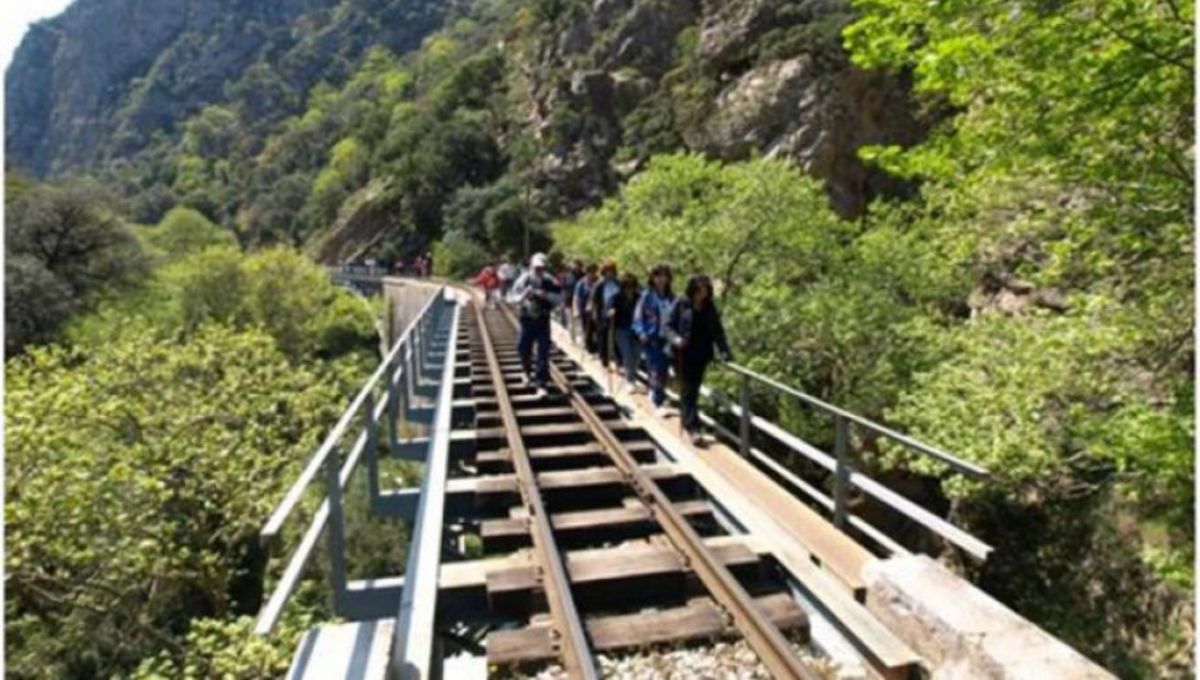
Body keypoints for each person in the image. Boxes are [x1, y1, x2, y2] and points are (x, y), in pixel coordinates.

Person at [666, 274, 732, 444]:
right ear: (693, 290)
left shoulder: (709, 306)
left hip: (701, 353)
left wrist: (724, 351)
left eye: (705, 290)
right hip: (682, 352)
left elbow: (717, 330)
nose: (702, 294)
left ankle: (689, 421)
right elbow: (667, 326)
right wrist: (676, 339)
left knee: (693, 390)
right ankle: (693, 427)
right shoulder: (681, 302)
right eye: (699, 290)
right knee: (688, 389)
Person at [508, 253, 563, 397]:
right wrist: (523, 296)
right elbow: (511, 297)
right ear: (532, 266)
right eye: (536, 267)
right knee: (522, 348)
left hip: (543, 319)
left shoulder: (550, 281)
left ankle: (541, 384)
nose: (539, 270)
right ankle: (526, 372)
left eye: (541, 268)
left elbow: (559, 298)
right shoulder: (523, 279)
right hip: (526, 319)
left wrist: (546, 295)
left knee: (543, 352)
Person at [633, 264, 676, 416]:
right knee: (656, 369)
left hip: (669, 339)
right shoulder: (647, 296)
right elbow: (638, 316)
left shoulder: (672, 297)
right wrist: (641, 332)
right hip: (652, 338)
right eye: (658, 276)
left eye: (664, 276)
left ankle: (656, 392)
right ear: (652, 278)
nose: (661, 279)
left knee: (663, 371)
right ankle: (658, 401)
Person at [611, 272, 642, 394]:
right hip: (621, 329)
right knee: (627, 355)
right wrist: (610, 312)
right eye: (627, 286)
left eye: (632, 286)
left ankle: (632, 376)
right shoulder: (617, 297)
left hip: (636, 330)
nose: (630, 289)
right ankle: (630, 381)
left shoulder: (639, 297)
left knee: (636, 355)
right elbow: (608, 308)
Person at [589, 259, 620, 366]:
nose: (609, 274)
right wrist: (593, 311)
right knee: (603, 337)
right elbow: (594, 300)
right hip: (602, 314)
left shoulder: (617, 283)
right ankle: (604, 359)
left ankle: (618, 360)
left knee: (616, 338)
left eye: (611, 271)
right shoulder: (599, 285)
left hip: (617, 314)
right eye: (607, 271)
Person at [573, 263, 598, 348]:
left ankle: (594, 346)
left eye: (594, 271)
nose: (592, 274)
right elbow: (577, 297)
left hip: (595, 309)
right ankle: (588, 346)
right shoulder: (581, 283)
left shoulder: (598, 281)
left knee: (595, 329)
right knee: (586, 329)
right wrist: (576, 311)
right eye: (590, 272)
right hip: (584, 309)